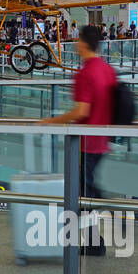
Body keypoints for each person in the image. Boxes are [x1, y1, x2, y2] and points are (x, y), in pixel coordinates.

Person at [38, 24, 117, 256]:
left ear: (82, 43)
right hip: (103, 140)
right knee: (85, 191)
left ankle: (94, 240)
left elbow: (81, 111)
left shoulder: (85, 73)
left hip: (85, 143)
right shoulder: (107, 70)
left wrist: (50, 122)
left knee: (82, 193)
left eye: (77, 39)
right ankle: (94, 242)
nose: (75, 43)